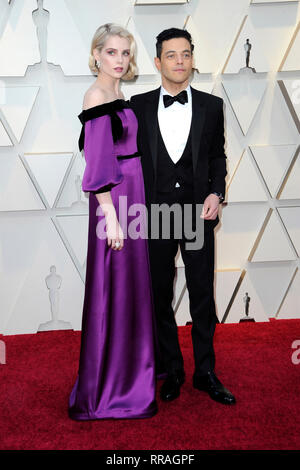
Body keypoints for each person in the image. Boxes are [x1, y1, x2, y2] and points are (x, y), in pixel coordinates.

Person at [130, 28, 236, 405]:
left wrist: (216, 192)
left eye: (186, 54)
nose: (179, 61)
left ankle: (205, 372)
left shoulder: (212, 106)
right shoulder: (136, 105)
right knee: (160, 295)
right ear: (157, 62)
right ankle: (171, 370)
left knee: (202, 296)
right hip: (154, 213)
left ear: (193, 58)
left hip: (197, 212)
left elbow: (219, 156)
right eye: (171, 55)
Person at [68, 23, 158, 420]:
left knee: (131, 287)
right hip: (114, 200)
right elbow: (98, 161)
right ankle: (107, 390)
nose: (119, 60)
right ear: (96, 55)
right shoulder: (96, 94)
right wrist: (111, 217)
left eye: (125, 53)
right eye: (111, 53)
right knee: (114, 287)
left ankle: (130, 380)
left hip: (132, 195)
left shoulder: (118, 93)